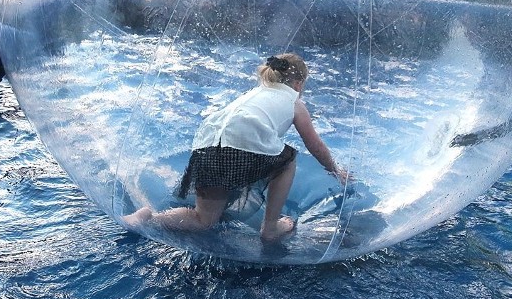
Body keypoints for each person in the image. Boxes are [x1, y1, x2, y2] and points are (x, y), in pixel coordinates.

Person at [123, 53, 347, 241]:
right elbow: (314, 144)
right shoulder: (294, 102)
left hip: (206, 147)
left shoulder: (252, 94)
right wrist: (335, 170)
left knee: (204, 220)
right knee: (287, 161)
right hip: (239, 149)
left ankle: (149, 218)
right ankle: (270, 227)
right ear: (298, 84)